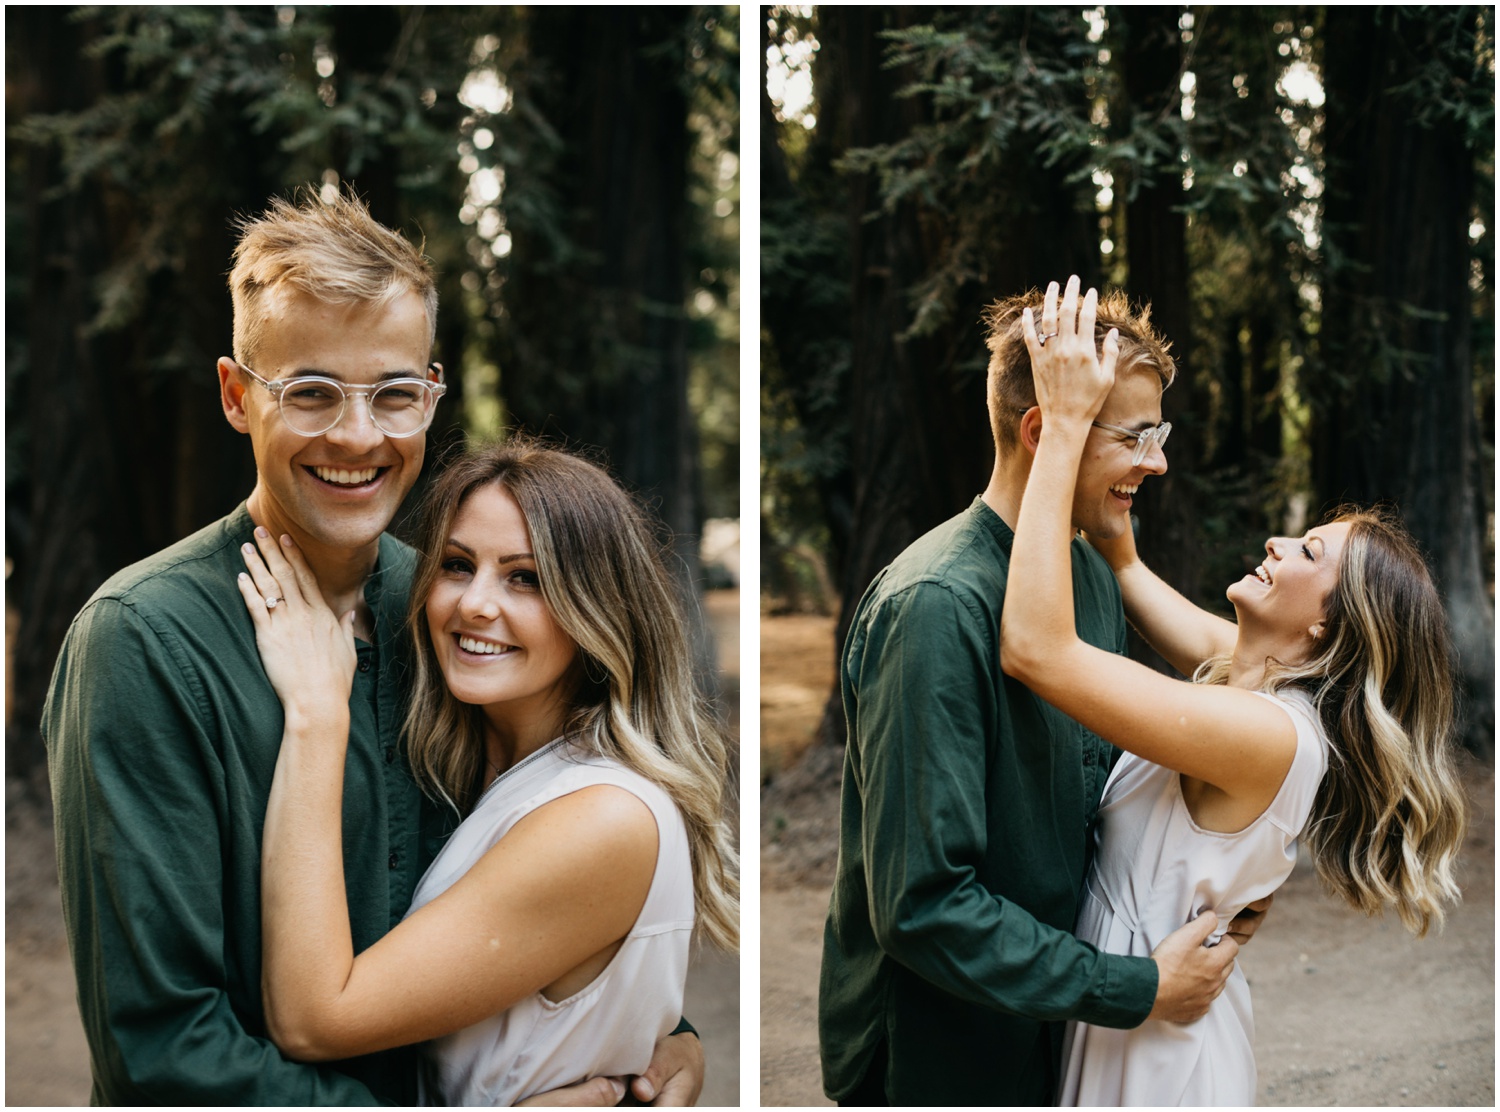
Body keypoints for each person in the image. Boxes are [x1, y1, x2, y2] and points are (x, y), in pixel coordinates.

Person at [42, 188, 705, 1105]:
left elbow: (532, 885)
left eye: (393, 394)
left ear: (432, 394)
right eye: (311, 392)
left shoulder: (443, 613)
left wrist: (660, 1033)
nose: (358, 435)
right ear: (239, 397)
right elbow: (162, 1052)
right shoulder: (145, 643)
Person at [1002, 275, 1469, 1105]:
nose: (1278, 542)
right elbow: (1141, 582)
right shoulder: (1255, 675)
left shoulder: (1268, 734)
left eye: (1311, 554)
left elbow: (1039, 650)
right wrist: (1114, 538)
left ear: (1330, 626)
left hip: (1159, 1061)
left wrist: (1070, 424)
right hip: (1134, 1008)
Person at [819, 279, 1260, 1106]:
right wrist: (1135, 986)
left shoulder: (1091, 577)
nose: (1157, 462)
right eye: (1136, 436)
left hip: (1054, 1036)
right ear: (1042, 429)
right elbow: (923, 906)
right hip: (941, 1062)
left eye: (1158, 434)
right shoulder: (936, 607)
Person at [237, 439, 739, 1105]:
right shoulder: (494, 771)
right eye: (456, 565)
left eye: (524, 577)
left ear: (595, 608)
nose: (475, 604)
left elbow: (315, 1020)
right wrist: (677, 1037)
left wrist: (315, 713)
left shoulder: (604, 817)